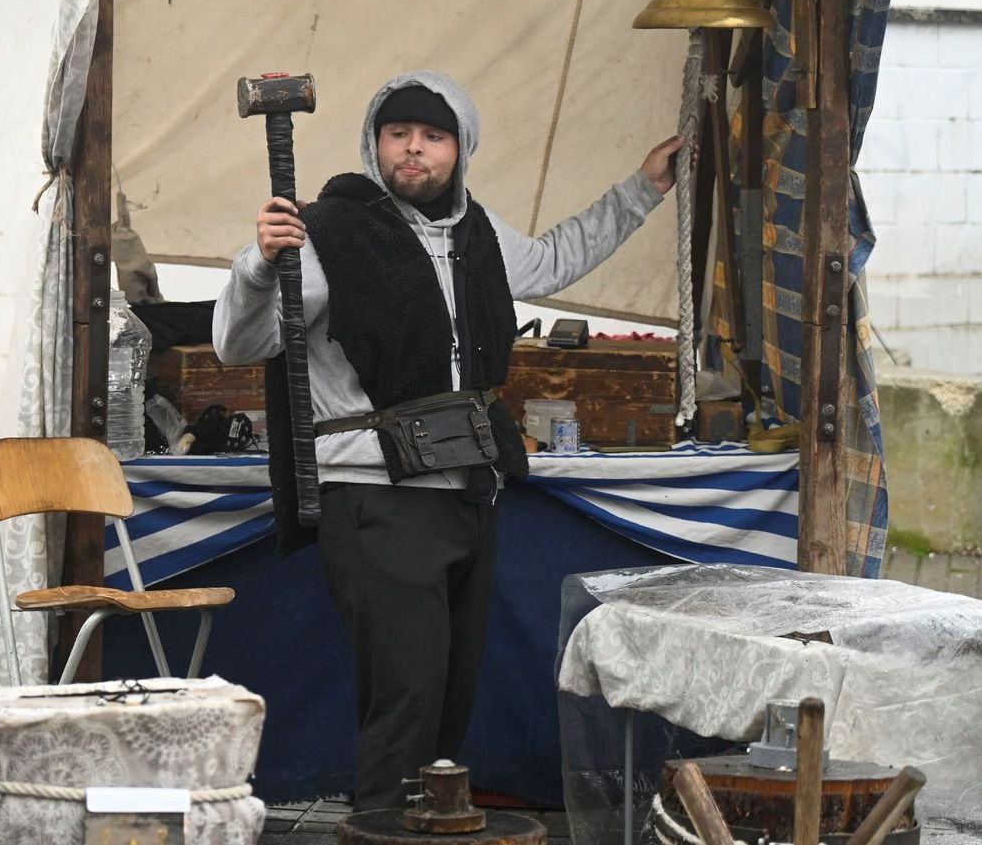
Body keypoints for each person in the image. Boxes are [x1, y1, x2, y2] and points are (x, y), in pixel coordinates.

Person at [212, 70, 682, 812]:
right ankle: (381, 830)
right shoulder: (330, 233)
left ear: (460, 149)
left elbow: (560, 257)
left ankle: (424, 828)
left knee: (449, 698)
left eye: (433, 136)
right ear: (376, 143)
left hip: (466, 486)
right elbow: (242, 344)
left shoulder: (479, 235)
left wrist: (645, 188)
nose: (414, 150)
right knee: (406, 695)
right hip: (375, 497)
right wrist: (257, 264)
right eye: (399, 133)